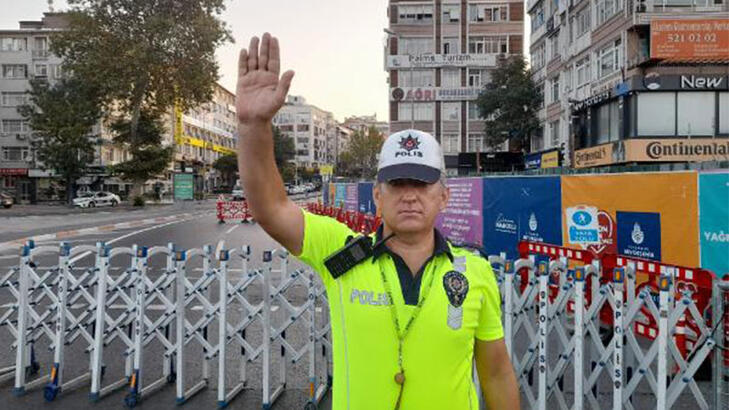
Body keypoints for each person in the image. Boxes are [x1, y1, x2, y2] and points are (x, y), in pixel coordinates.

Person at [236, 33, 519, 410]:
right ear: (378, 196)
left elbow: (496, 373)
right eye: (397, 183)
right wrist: (254, 126)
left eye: (421, 183)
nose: (409, 194)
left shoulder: (476, 272)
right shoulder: (342, 252)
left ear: (444, 196)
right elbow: (270, 207)